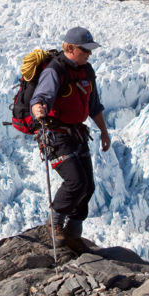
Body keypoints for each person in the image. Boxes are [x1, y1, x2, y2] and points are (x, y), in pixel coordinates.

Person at [30, 26, 111, 253]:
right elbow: (41, 97)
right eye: (85, 49)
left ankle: (74, 232)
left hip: (77, 132)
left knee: (88, 185)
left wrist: (104, 132)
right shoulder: (55, 71)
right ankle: (54, 223)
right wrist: (38, 109)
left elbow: (93, 105)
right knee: (75, 181)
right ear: (70, 48)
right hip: (56, 134)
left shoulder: (87, 71)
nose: (89, 54)